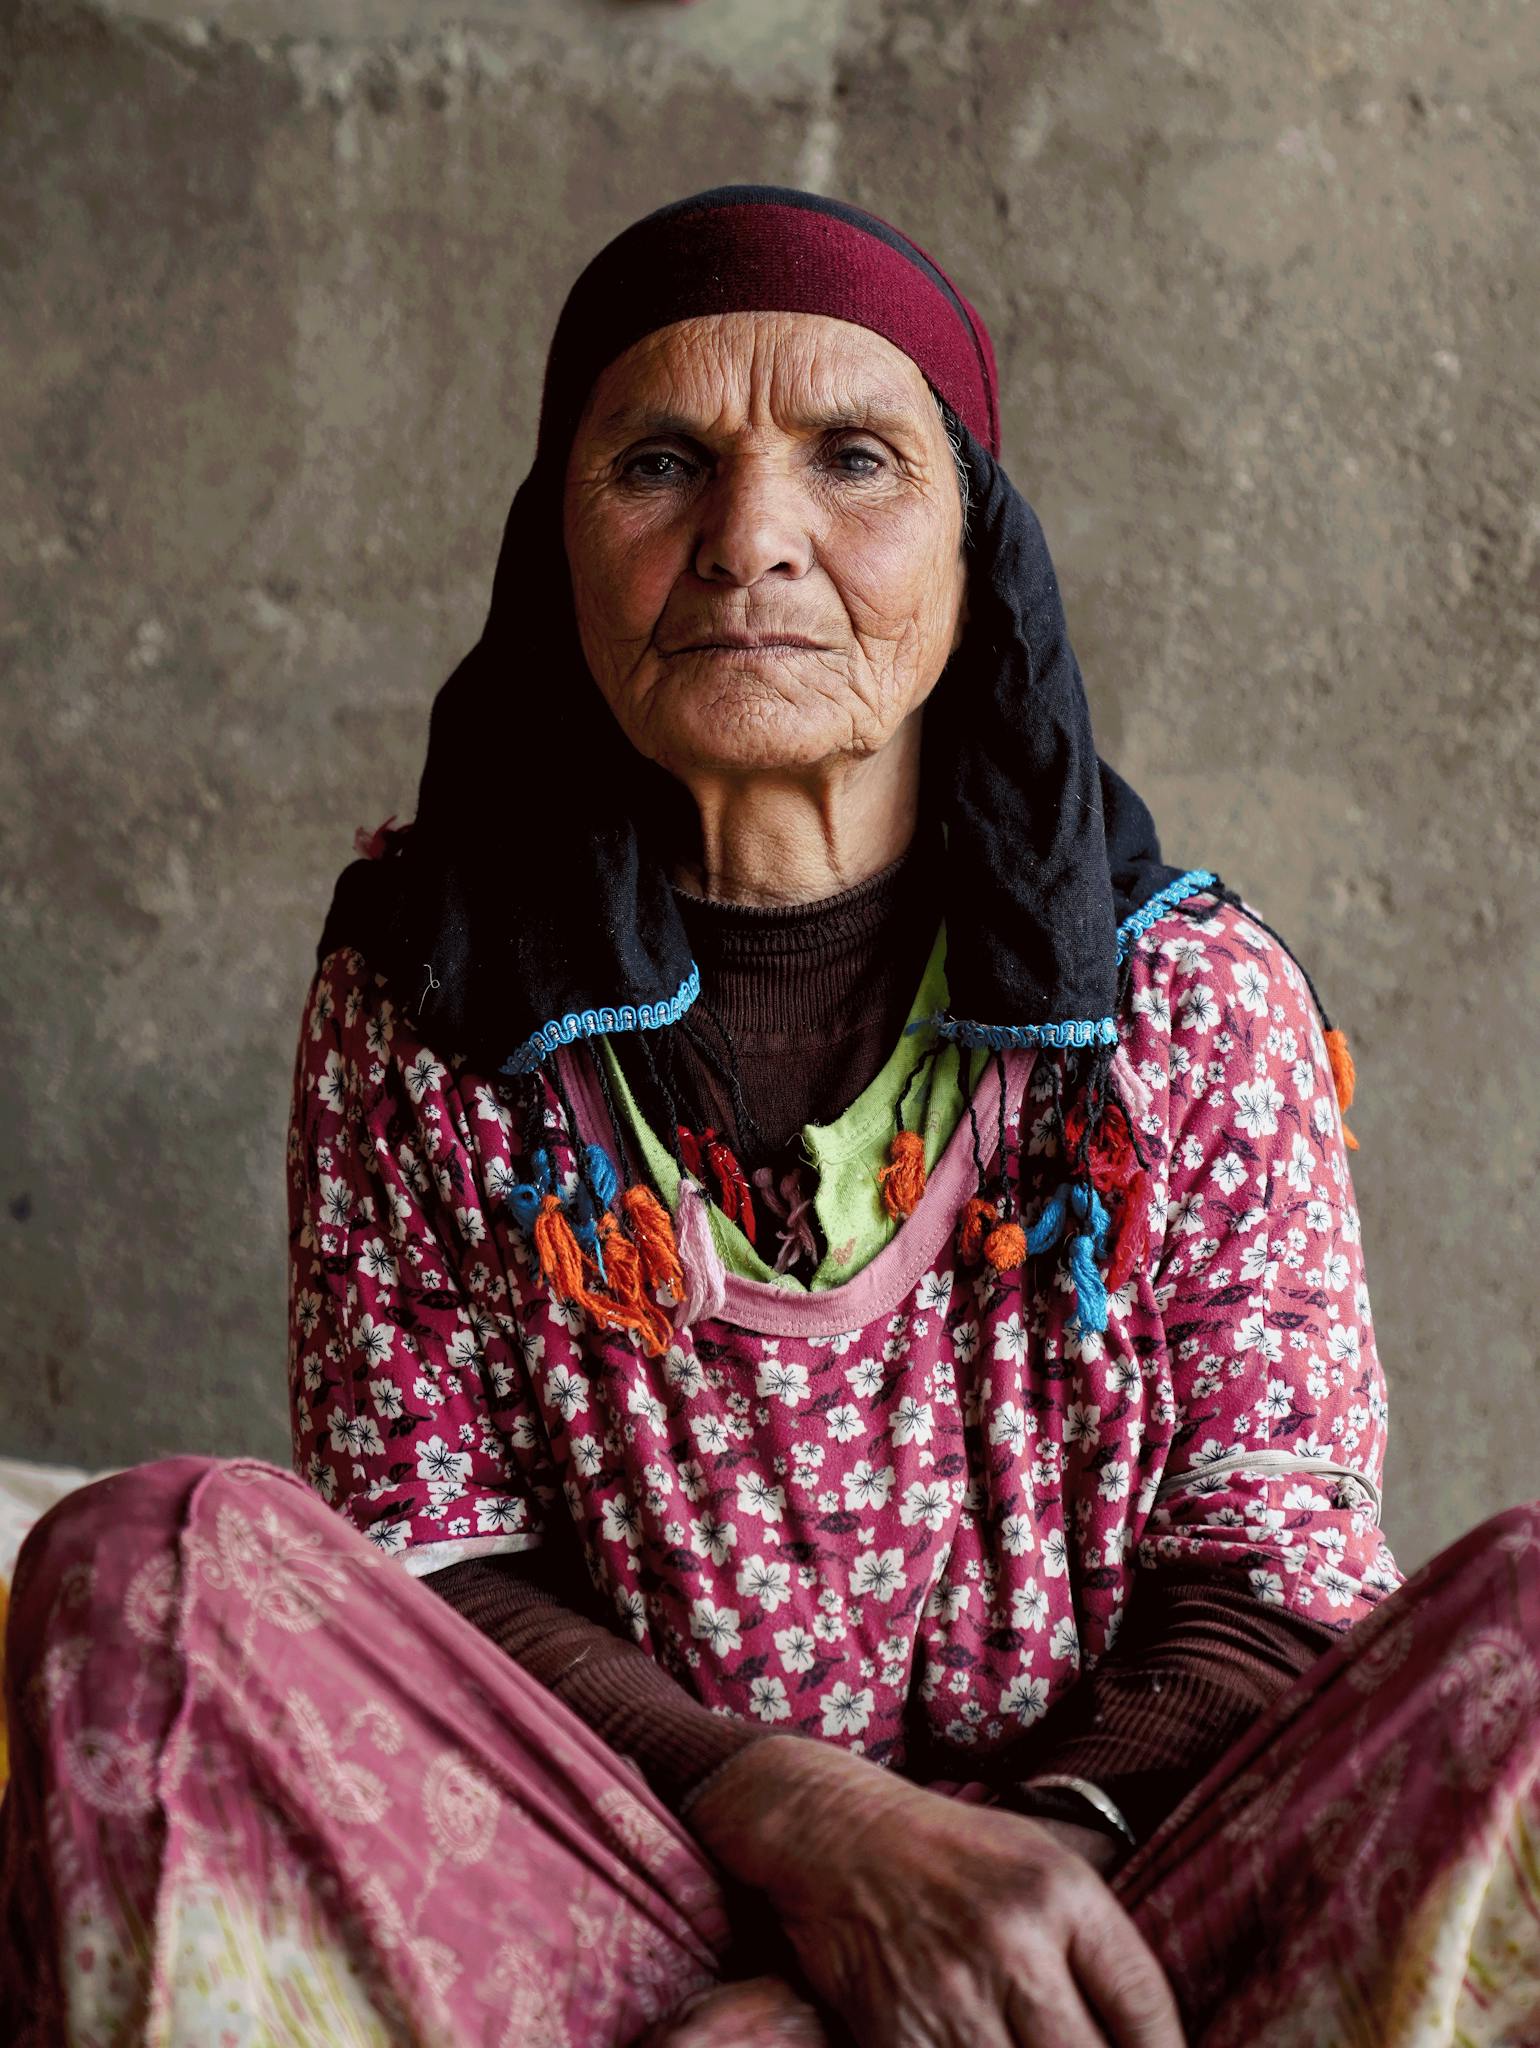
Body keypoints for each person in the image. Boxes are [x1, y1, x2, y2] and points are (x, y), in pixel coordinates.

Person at [2, 184, 1537, 2048]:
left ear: (979, 549)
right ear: (551, 552)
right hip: (617, 1904)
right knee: (148, 1561)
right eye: (658, 463)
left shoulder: (1190, 1008)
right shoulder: (433, 995)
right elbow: (427, 1558)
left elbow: (1268, 1575)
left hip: (1107, 1922)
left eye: (854, 458)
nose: (750, 543)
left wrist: (949, 1923)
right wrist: (809, 1834)